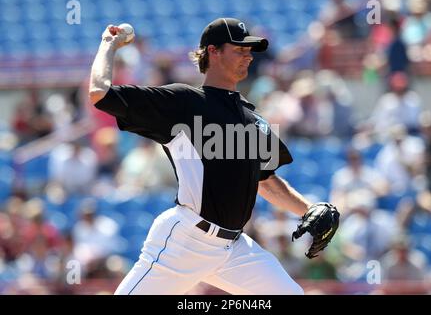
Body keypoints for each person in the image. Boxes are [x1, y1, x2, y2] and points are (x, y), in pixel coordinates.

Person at [89, 17, 325, 295]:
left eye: (250, 50)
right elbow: (99, 93)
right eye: (239, 49)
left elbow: (267, 183)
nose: (248, 56)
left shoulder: (253, 119)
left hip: (234, 248)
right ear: (212, 51)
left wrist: (309, 210)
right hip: (187, 240)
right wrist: (108, 45)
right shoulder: (183, 103)